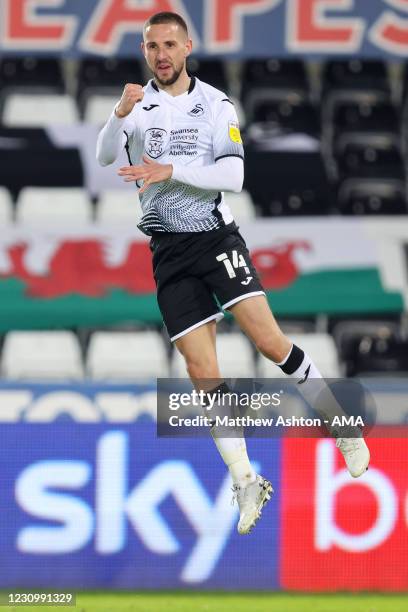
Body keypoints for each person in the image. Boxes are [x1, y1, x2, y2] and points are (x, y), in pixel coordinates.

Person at [97, 11, 370, 535]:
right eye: (153, 45)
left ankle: (342, 424)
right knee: (202, 373)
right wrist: (117, 113)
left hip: (215, 238)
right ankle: (246, 479)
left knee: (269, 341)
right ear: (145, 49)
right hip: (167, 252)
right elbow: (106, 154)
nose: (161, 54)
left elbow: (235, 174)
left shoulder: (215, 103)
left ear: (188, 47)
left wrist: (170, 170)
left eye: (170, 44)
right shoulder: (135, 106)